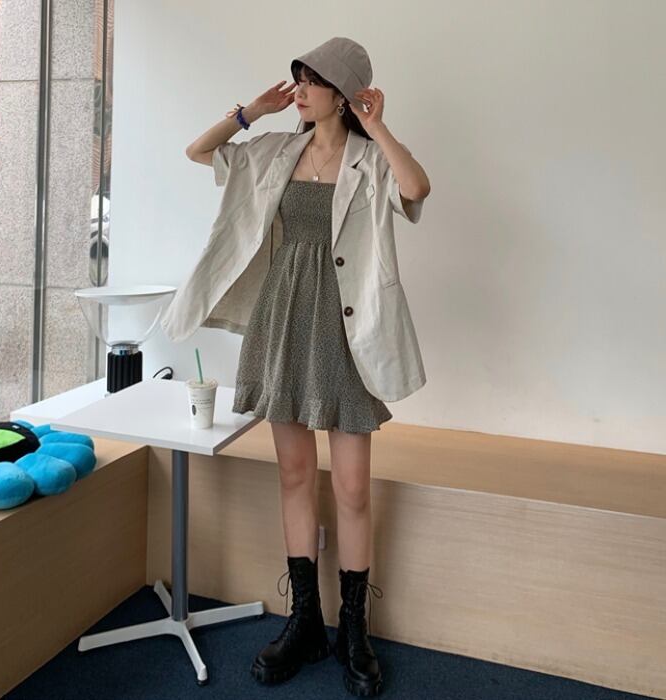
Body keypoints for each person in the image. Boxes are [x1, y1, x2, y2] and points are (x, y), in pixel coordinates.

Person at [185, 37, 430, 698]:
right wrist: (251, 113)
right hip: (284, 322)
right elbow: (200, 152)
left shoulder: (369, 160)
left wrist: (378, 125)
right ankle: (305, 622)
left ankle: (354, 629)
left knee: (352, 489)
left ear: (343, 95)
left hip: (347, 330)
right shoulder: (275, 150)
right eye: (297, 78)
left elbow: (416, 188)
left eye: (312, 80)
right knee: (294, 475)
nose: (299, 89)